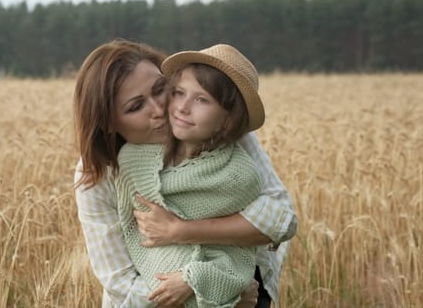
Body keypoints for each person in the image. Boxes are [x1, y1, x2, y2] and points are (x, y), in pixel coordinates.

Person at [73, 39, 297, 308]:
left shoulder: (219, 130)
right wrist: (218, 296)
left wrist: (181, 231)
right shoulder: (97, 174)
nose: (159, 110)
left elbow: (280, 216)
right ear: (108, 123)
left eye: (160, 90)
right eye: (136, 107)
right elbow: (122, 285)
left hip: (245, 282)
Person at [114, 44, 267, 307]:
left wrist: (193, 278)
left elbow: (239, 251)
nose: (181, 108)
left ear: (228, 120)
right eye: (179, 93)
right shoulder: (133, 159)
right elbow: (133, 232)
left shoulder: (239, 174)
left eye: (202, 99)